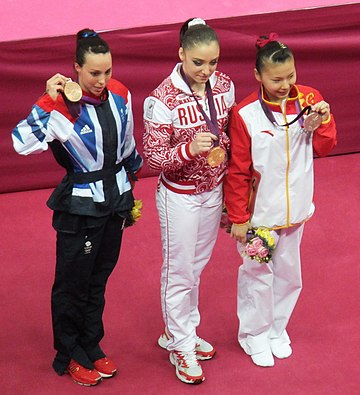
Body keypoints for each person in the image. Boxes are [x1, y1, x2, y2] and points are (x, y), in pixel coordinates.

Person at [12, 28, 143, 386]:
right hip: (81, 208)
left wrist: (131, 179)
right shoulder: (60, 106)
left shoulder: (120, 94)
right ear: (76, 69)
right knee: (73, 285)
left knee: (98, 281)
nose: (102, 81)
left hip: (116, 202)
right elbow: (21, 143)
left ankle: (91, 344)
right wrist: (45, 99)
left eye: (107, 72)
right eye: (94, 73)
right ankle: (69, 353)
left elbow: (128, 143)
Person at [223, 33, 337, 367]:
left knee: (289, 274)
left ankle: (277, 328)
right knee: (257, 276)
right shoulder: (245, 114)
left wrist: (323, 122)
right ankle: (253, 335)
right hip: (260, 217)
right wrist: (239, 218)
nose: (286, 84)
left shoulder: (310, 100)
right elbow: (238, 171)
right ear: (258, 75)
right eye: (276, 79)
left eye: (290, 76)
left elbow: (325, 147)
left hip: (297, 209)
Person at [143, 18, 235, 384]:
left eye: (212, 61)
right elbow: (152, 158)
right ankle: (180, 343)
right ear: (181, 53)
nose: (206, 70)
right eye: (198, 62)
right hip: (178, 197)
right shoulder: (161, 98)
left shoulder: (224, 86)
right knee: (179, 270)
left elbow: (228, 136)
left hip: (213, 192)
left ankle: (180, 331)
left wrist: (230, 190)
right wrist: (186, 149)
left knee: (195, 267)